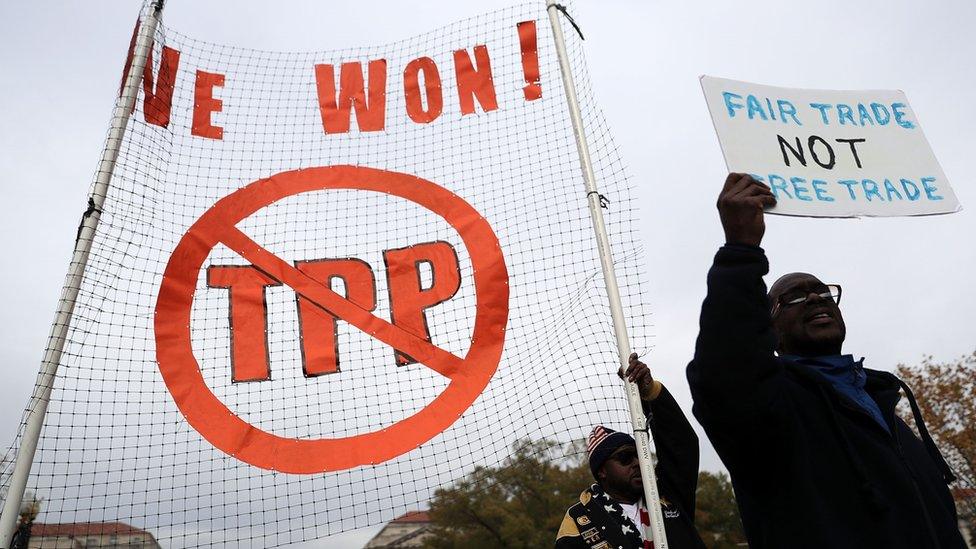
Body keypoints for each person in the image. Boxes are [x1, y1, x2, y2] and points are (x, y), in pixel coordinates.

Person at [686, 173, 966, 548]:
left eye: (823, 292)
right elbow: (726, 368)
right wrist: (740, 252)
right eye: (796, 298)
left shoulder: (881, 405)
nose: (817, 299)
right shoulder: (772, 409)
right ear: (771, 329)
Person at [556, 354, 706, 548]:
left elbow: (682, 446)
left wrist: (650, 393)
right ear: (602, 471)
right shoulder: (578, 520)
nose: (637, 463)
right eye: (625, 458)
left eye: (640, 455)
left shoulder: (666, 494)